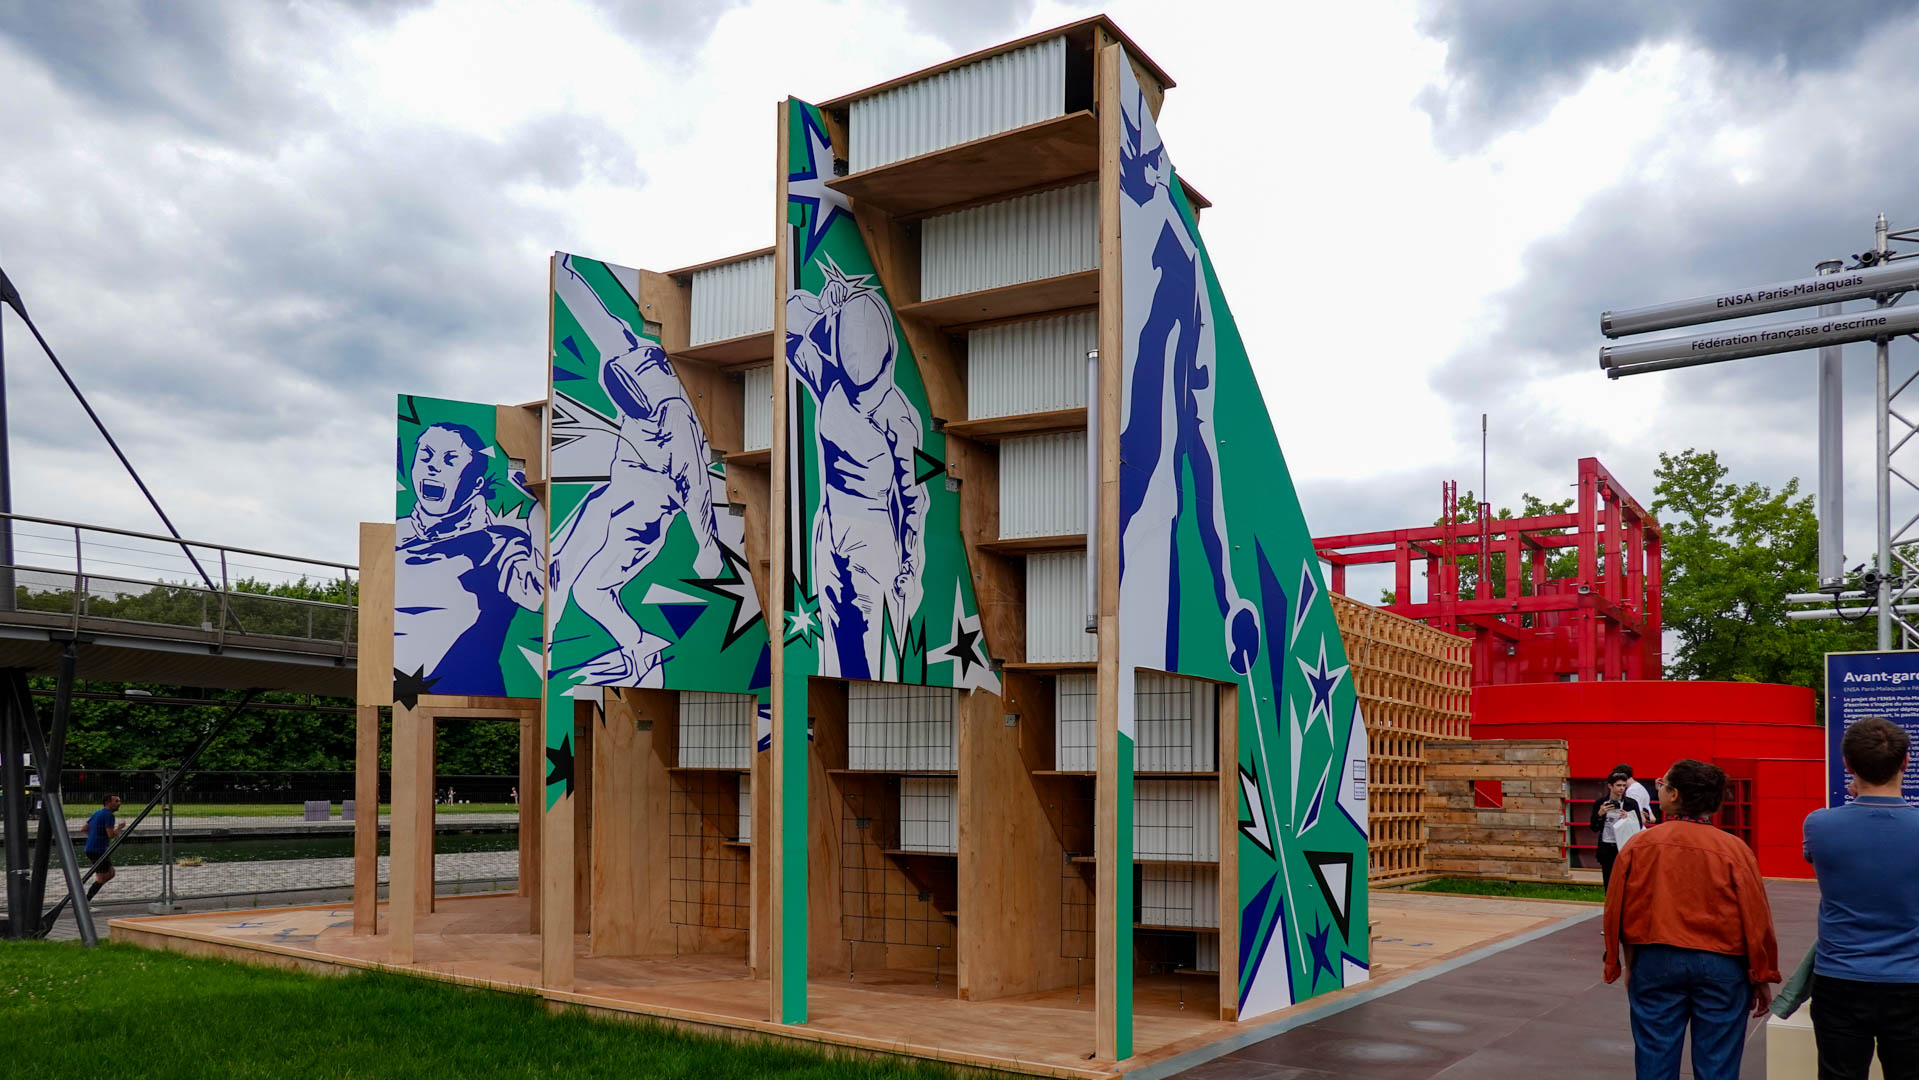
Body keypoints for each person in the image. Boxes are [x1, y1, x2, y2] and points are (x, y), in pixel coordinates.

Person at [1604, 759, 1780, 1080]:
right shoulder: (1735, 849)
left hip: (1656, 958)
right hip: (1723, 964)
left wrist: (1625, 962)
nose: (1658, 787)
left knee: (1655, 1058)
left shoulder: (1640, 845)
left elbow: (1620, 908)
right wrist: (1761, 973)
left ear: (1674, 794)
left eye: (1662, 783)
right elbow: (1756, 917)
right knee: (1718, 1064)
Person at [1803, 715, 1919, 1079]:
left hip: (1840, 978)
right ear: (1905, 762)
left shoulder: (1819, 824)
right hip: (1911, 979)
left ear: (1848, 764)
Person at [1590, 769, 1648, 890]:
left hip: (1624, 845)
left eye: (1624, 785)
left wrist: (1628, 817)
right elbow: (1593, 828)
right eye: (1618, 785)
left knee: (1626, 881)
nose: (1621, 788)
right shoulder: (1601, 803)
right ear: (1610, 786)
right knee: (1609, 882)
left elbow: (1638, 826)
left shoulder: (1631, 803)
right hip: (1607, 846)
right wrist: (1600, 814)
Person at [83, 794, 123, 899]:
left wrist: (94, 836)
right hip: (97, 850)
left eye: (119, 801)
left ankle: (86, 899)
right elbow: (111, 835)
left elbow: (84, 828)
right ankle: (85, 901)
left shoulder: (98, 813)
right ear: (108, 803)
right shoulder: (109, 815)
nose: (119, 803)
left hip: (94, 848)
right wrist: (119, 828)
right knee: (102, 877)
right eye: (116, 801)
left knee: (111, 873)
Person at [1613, 761, 1657, 825]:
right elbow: (1652, 818)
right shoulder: (1641, 788)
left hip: (1635, 829)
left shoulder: (1631, 791)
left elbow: (1641, 819)